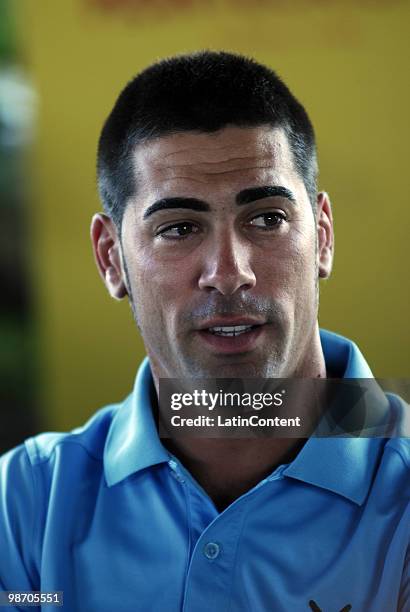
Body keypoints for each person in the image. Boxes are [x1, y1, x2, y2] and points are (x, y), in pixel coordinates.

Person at [0, 51, 408, 612]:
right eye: (179, 227)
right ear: (111, 258)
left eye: (266, 218)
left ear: (323, 236)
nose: (229, 273)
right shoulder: (23, 504)